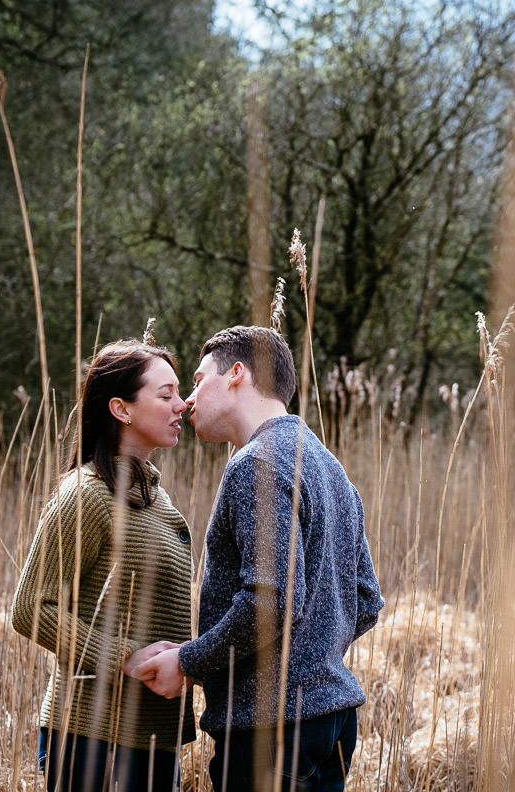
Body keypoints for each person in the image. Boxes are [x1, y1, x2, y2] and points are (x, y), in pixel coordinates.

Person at [129, 325, 384, 792]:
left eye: (199, 380)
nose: (187, 400)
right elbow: (366, 599)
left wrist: (189, 662)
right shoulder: (328, 465)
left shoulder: (256, 462)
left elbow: (270, 602)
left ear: (237, 375)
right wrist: (315, 660)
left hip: (271, 732)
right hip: (333, 723)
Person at [12, 340, 196, 792]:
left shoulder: (155, 496)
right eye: (166, 394)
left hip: (151, 735)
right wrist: (125, 658)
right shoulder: (86, 495)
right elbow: (31, 608)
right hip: (92, 734)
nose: (183, 404)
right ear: (121, 408)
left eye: (180, 393)